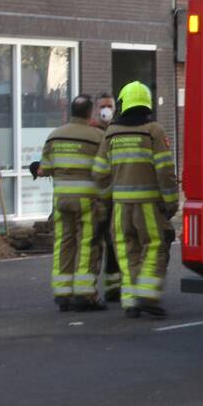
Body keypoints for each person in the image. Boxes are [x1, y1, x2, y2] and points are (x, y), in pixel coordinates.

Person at [92, 82, 178, 319]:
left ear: (122, 103)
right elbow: (165, 170)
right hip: (148, 205)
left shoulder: (111, 133)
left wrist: (109, 195)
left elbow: (99, 172)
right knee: (154, 245)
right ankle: (147, 295)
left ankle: (130, 301)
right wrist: (171, 201)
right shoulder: (154, 130)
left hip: (120, 208)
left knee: (127, 250)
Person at [39, 95, 108, 312]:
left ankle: (62, 293)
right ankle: (85, 294)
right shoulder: (98, 137)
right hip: (88, 200)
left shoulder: (54, 136)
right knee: (88, 243)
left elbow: (45, 169)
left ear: (72, 111)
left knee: (63, 243)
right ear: (90, 113)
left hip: (61, 200)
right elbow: (105, 169)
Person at [90, 92, 122, 302]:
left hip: (114, 197)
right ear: (95, 109)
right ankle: (87, 289)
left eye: (109, 106)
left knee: (113, 244)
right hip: (95, 199)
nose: (106, 110)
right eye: (102, 106)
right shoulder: (91, 132)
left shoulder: (119, 131)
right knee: (92, 243)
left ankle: (113, 287)